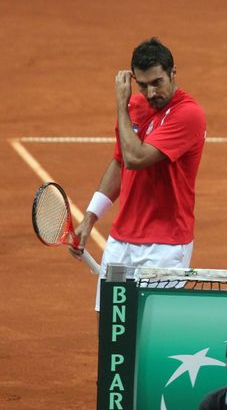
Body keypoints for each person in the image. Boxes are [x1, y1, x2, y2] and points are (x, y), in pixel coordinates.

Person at [69, 37, 207, 310]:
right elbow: (120, 162)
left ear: (173, 73)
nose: (151, 92)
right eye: (142, 85)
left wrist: (121, 105)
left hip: (165, 247)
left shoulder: (189, 114)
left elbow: (135, 158)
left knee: (151, 335)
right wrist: (89, 218)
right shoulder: (135, 106)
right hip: (122, 241)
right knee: (111, 332)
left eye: (158, 82)